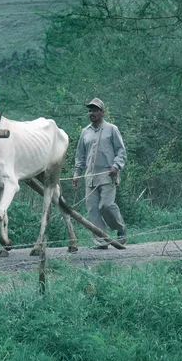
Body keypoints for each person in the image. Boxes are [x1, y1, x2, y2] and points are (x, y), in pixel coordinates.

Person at [72, 97, 127, 248]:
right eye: (90, 110)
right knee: (93, 210)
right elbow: (80, 156)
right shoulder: (85, 132)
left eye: (95, 110)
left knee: (106, 205)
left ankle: (120, 228)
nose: (92, 113)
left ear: (102, 112)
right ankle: (101, 241)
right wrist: (77, 173)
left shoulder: (112, 129)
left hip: (108, 175)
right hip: (90, 177)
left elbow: (121, 151)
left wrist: (116, 166)